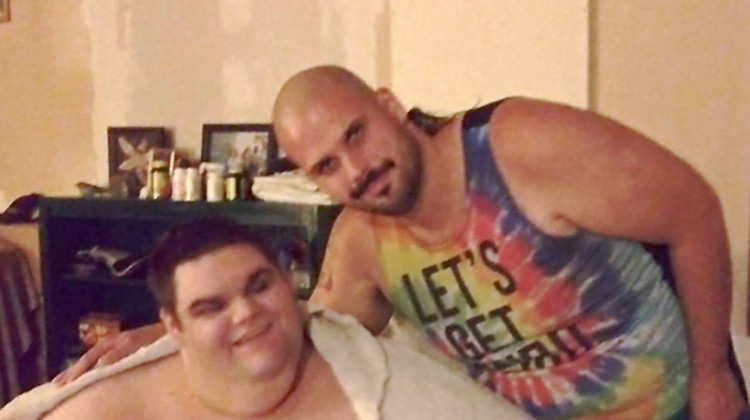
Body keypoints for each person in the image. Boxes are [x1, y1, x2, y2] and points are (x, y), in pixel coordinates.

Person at [269, 65, 749, 420]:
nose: (357, 170)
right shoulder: (361, 243)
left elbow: (692, 210)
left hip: (674, 404)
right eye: (326, 167)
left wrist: (712, 374)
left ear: (390, 107)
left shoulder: (516, 144)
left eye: (356, 134)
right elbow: (316, 345)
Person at [3, 217, 529, 420]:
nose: (247, 312)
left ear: (287, 283)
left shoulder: (390, 389)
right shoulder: (110, 410)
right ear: (176, 326)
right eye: (211, 306)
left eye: (259, 286)